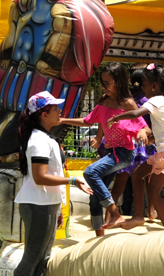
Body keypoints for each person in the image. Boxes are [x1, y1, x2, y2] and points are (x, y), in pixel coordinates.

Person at [6, 91, 92, 276]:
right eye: (55, 108)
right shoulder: (38, 140)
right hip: (37, 205)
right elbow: (41, 177)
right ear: (44, 114)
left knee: (42, 257)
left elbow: (49, 175)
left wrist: (58, 208)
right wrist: (73, 181)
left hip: (46, 205)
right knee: (31, 257)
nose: (59, 111)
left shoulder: (45, 137)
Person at [59, 62, 145, 236]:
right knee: (94, 196)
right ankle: (99, 235)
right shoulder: (104, 102)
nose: (104, 86)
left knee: (90, 172)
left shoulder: (127, 103)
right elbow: (88, 121)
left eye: (108, 82)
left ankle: (115, 214)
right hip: (109, 152)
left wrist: (143, 131)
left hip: (124, 153)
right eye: (102, 82)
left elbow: (143, 125)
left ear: (119, 82)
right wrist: (62, 120)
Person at [110, 64, 164, 230]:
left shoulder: (156, 100)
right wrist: (150, 139)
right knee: (137, 175)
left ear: (154, 86)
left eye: (143, 85)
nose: (142, 88)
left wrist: (116, 117)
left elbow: (136, 113)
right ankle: (138, 216)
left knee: (153, 192)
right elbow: (163, 128)